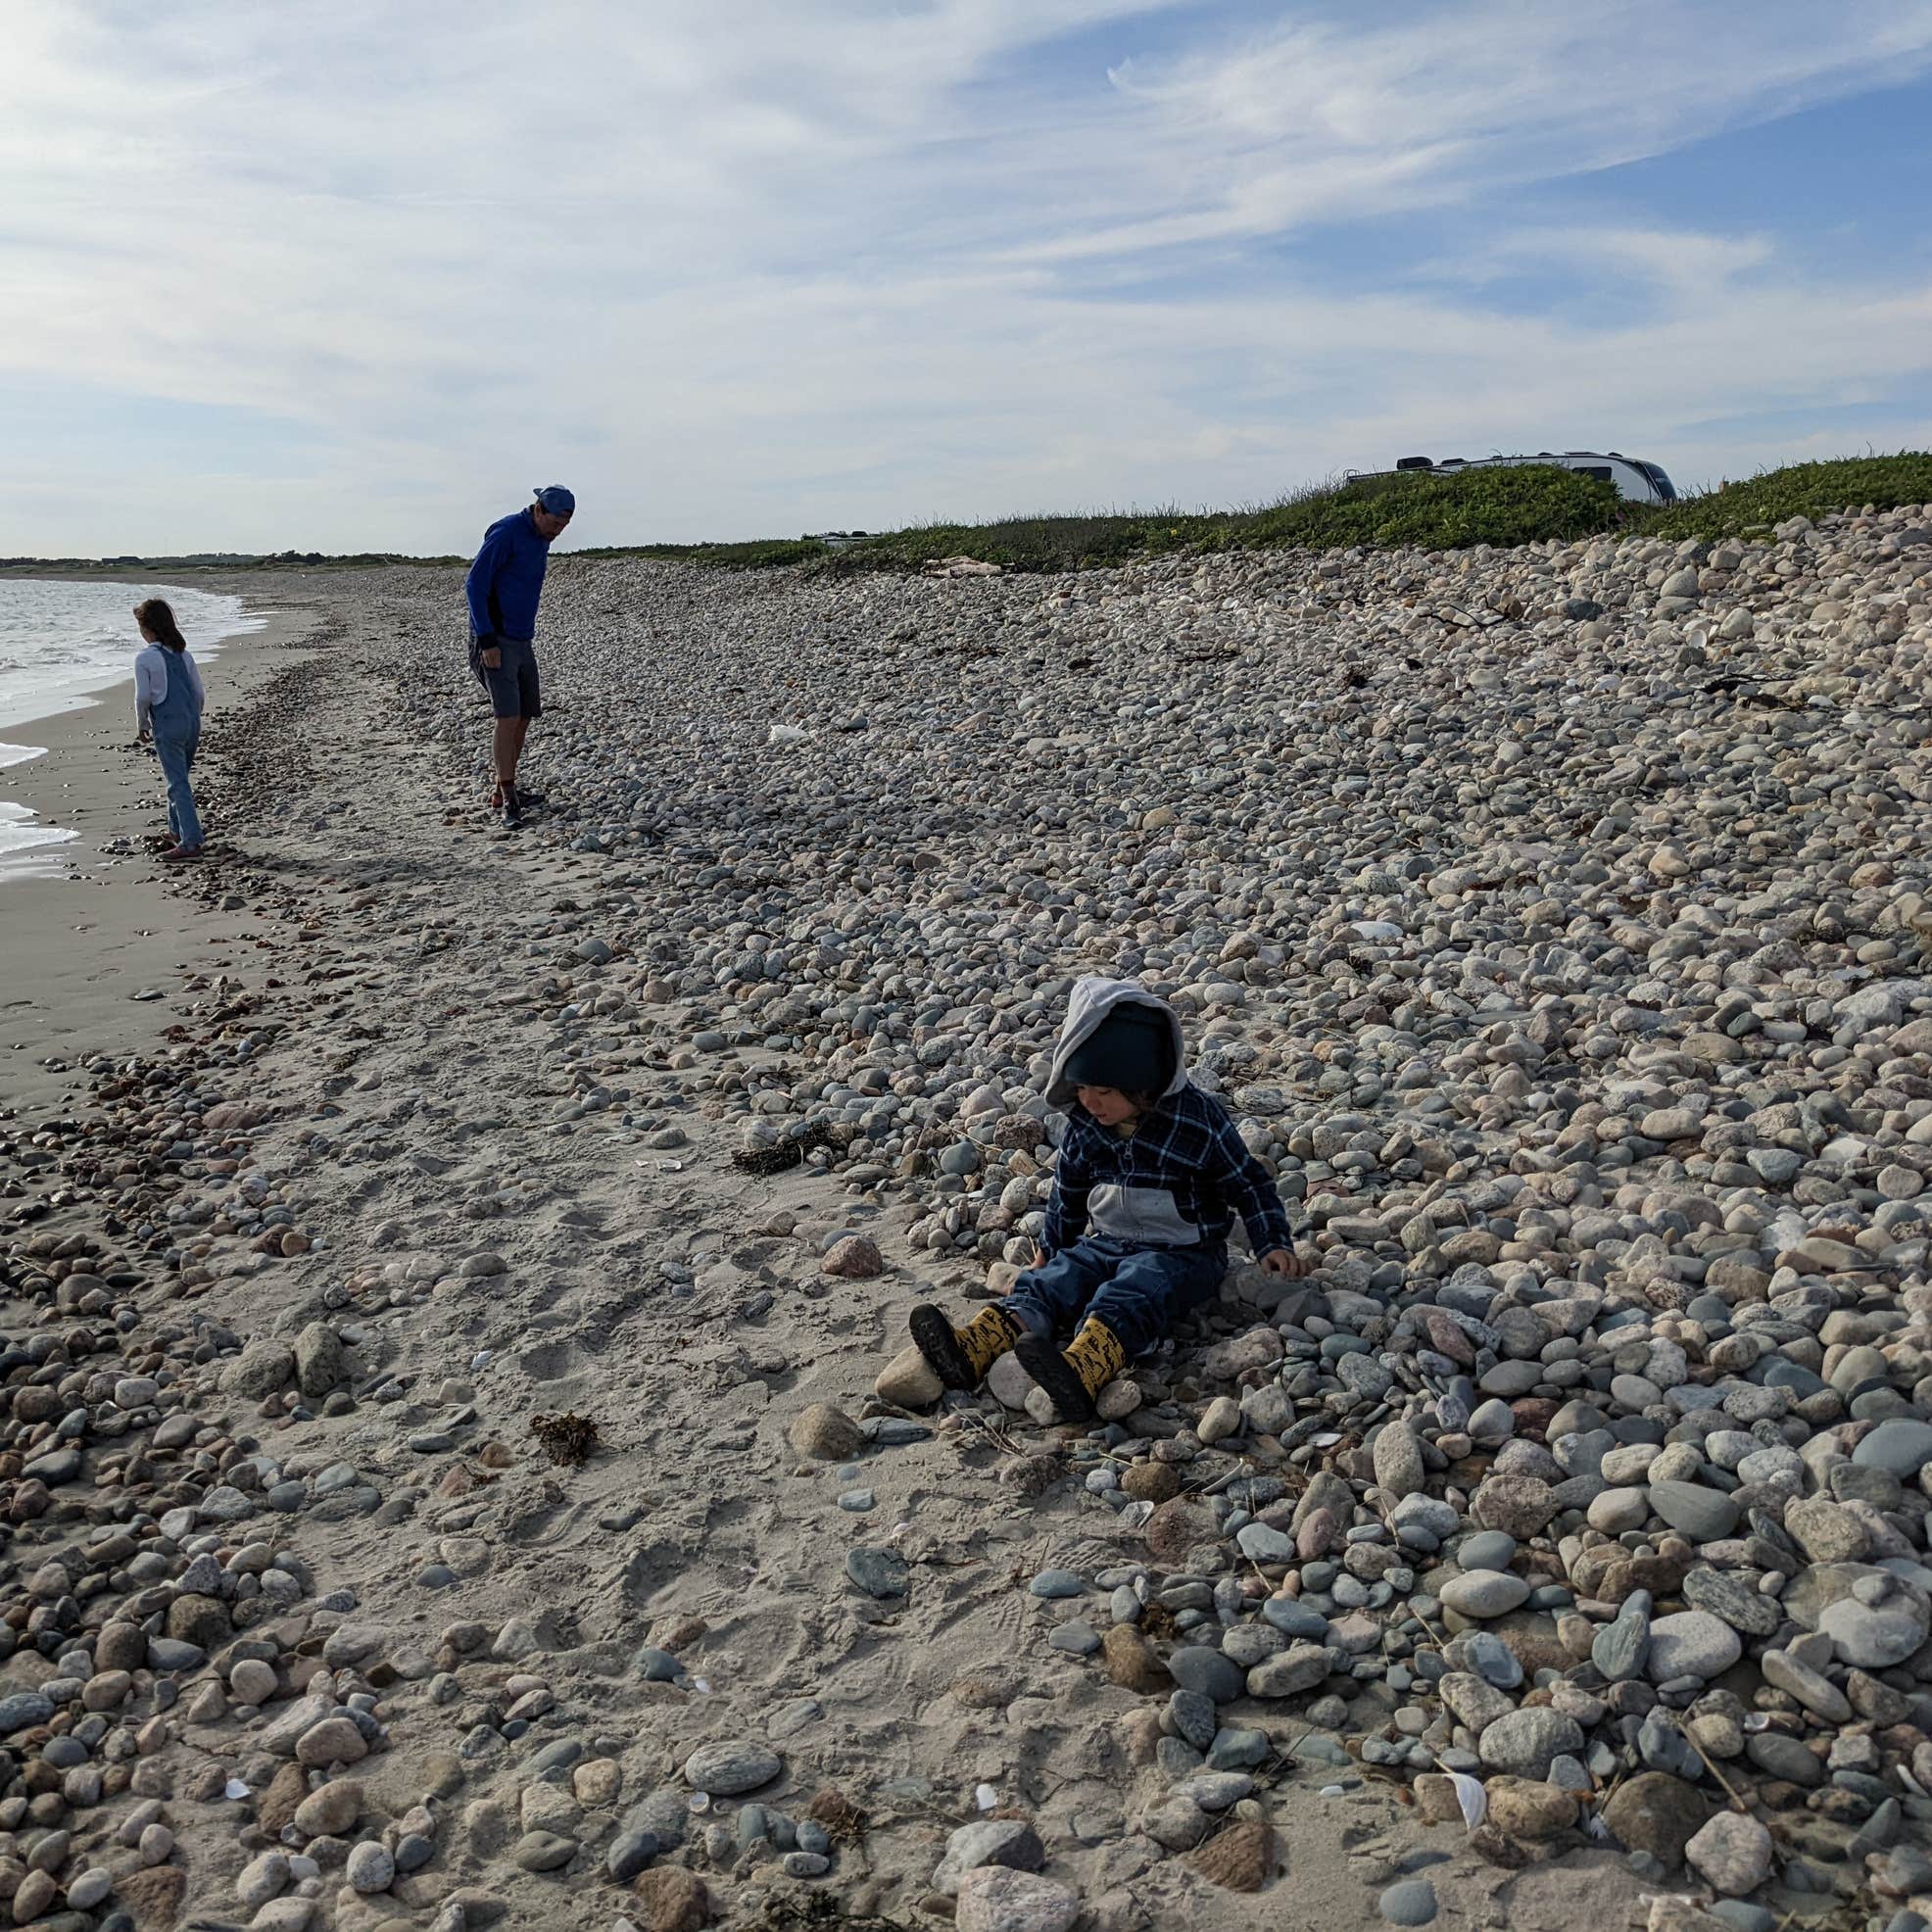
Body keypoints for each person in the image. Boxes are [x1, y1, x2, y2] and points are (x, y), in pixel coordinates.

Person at [908, 978, 1307, 1422]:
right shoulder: (1086, 1125)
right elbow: (1070, 1190)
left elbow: (1247, 1182)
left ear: (1142, 1086)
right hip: (1109, 1240)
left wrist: (1271, 1241)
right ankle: (971, 1349)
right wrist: (1053, 1248)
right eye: (1081, 1088)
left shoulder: (1197, 1121)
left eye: (1104, 1093)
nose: (1089, 1102)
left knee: (1135, 1289)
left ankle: (1083, 1370)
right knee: (1055, 1280)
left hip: (1184, 1253)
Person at [465, 485, 573, 827]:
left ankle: (504, 787)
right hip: (495, 639)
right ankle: (509, 798)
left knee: (525, 714)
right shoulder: (507, 531)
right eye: (554, 522)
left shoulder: (541, 539)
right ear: (538, 510)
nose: (558, 531)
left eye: (564, 525)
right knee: (507, 716)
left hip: (522, 639)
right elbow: (474, 585)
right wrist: (486, 641)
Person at [132, 597, 207, 862]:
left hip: (168, 724)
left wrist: (142, 723)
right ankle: (176, 829)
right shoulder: (183, 654)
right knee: (180, 779)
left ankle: (191, 840)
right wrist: (193, 717)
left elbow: (143, 698)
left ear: (146, 628)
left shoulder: (145, 658)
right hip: (191, 722)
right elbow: (199, 693)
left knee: (178, 784)